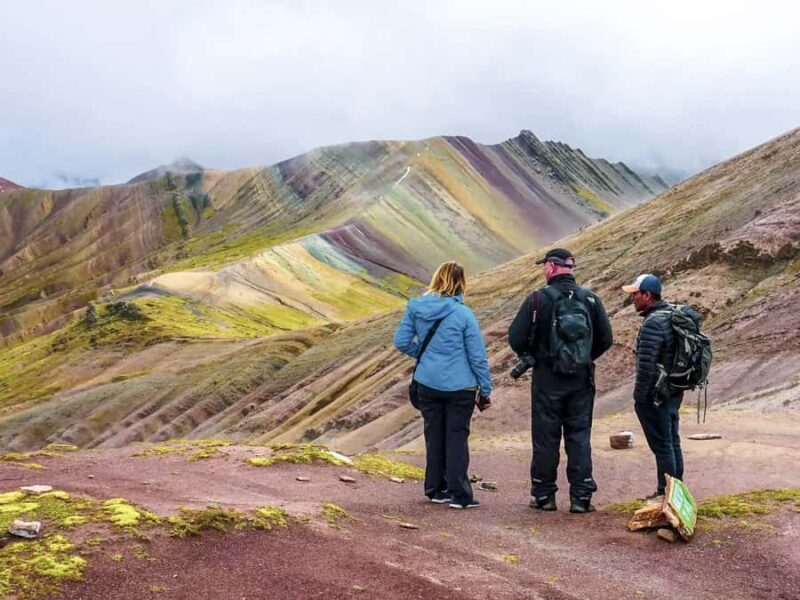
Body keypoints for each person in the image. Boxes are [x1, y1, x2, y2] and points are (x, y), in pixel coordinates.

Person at [508, 248, 613, 513]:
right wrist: (583, 358)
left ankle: (544, 496)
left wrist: (534, 355)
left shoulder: (537, 300)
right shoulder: (590, 299)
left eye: (545, 266)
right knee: (579, 436)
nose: (544, 270)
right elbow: (606, 339)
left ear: (552, 267)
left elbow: (516, 337)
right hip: (581, 380)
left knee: (546, 437)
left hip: (546, 380)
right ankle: (581, 497)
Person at [393, 261, 493, 509]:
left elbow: (401, 340)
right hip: (461, 387)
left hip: (427, 383)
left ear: (436, 279)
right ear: (461, 284)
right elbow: (477, 355)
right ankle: (459, 495)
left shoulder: (416, 307)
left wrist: (424, 356)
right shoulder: (464, 314)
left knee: (433, 434)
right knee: (457, 437)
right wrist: (486, 388)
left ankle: (436, 489)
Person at [622, 273, 684, 500]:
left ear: (647, 295)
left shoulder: (652, 324)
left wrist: (639, 398)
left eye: (636, 294)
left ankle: (664, 493)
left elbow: (646, 367)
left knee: (662, 445)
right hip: (674, 390)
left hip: (657, 394)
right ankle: (676, 492)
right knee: (672, 441)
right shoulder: (671, 316)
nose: (633, 299)